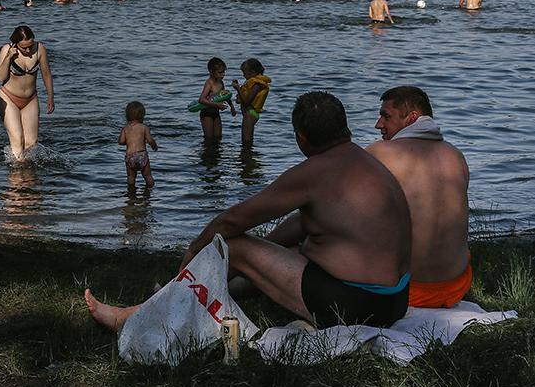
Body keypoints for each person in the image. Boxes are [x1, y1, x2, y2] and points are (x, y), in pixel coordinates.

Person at [86, 91, 412, 331]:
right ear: (345, 129)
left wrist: (194, 252)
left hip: (358, 306)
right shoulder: (370, 162)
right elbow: (303, 223)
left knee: (232, 245)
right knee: (297, 228)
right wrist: (265, 252)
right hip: (395, 301)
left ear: (301, 138)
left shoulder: (314, 171)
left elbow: (232, 221)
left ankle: (140, 316)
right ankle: (225, 283)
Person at [367, 86, 471, 308]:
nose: (379, 124)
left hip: (409, 291)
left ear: (412, 118)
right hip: (456, 286)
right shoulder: (455, 155)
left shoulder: (380, 153)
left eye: (386, 116)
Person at [0, 25, 55, 161]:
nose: (28, 50)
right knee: (17, 141)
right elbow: (1, 77)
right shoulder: (7, 49)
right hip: (8, 97)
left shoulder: (39, 48)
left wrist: (50, 96)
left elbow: (46, 74)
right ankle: (16, 179)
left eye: (30, 45)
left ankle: (28, 179)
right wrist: (8, 57)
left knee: (31, 144)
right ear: (16, 43)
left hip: (30, 99)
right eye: (24, 47)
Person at [231, 58, 270, 146]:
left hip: (250, 114)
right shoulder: (254, 83)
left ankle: (247, 157)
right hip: (250, 113)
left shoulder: (256, 84)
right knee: (247, 141)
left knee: (246, 142)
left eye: (244, 74)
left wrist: (237, 89)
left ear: (252, 72)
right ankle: (249, 157)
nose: (244, 76)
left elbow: (247, 102)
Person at [119, 101, 157, 189]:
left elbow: (121, 141)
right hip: (141, 155)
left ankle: (131, 192)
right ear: (142, 115)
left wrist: (128, 141)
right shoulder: (144, 127)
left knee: (131, 177)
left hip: (130, 156)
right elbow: (150, 140)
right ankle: (150, 190)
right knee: (147, 176)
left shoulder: (125, 128)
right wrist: (154, 145)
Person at [197, 57, 235, 141]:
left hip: (216, 113)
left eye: (224, 72)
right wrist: (217, 105)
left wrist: (232, 106)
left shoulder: (220, 82)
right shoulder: (209, 83)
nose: (223, 75)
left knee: (218, 138)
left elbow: (225, 95)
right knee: (209, 139)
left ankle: (216, 153)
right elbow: (201, 100)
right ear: (211, 71)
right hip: (206, 114)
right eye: (220, 72)